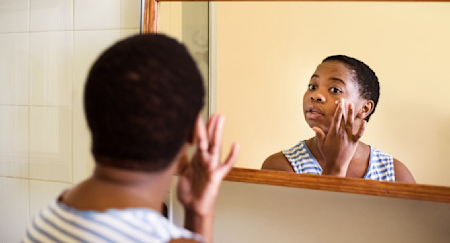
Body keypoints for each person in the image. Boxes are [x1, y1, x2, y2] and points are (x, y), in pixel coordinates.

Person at [23, 34, 239, 243]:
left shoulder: (51, 216)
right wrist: (201, 216)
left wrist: (197, 210)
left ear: (92, 116)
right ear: (194, 131)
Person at [262, 55, 415, 183]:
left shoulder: (395, 174)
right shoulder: (281, 166)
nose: (315, 95)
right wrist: (335, 168)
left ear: (365, 108)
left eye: (335, 90)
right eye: (312, 86)